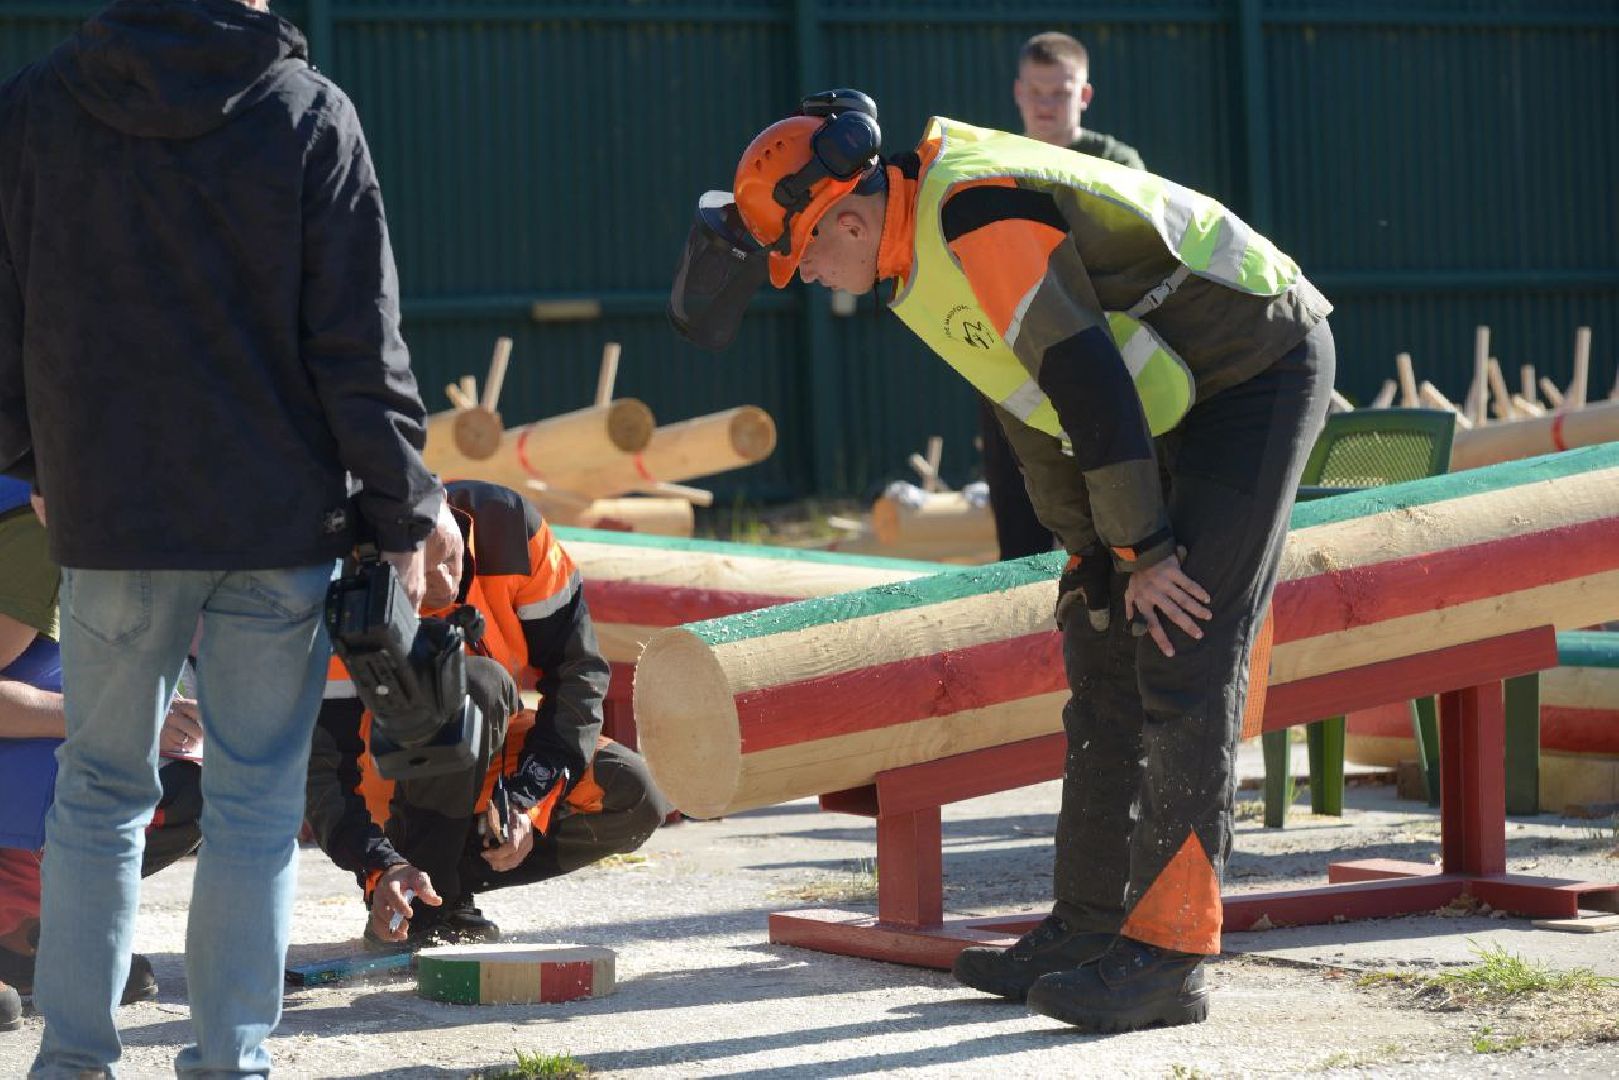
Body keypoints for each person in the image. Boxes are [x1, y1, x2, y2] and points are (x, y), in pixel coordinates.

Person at [670, 89, 1333, 1031]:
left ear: (847, 220)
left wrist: (1144, 551)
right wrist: (1090, 554)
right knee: (1101, 642)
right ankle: (1085, 928)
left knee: (1183, 643)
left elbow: (1087, 386)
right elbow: (1029, 404)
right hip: (1159, 395)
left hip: (1251, 367)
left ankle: (1168, 959)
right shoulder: (911, 261)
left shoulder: (976, 211)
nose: (807, 278)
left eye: (805, 257)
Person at [0, 0, 442, 1073]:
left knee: (98, 795)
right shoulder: (306, 111)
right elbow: (358, 338)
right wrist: (404, 508)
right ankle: (229, 1063)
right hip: (274, 520)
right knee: (254, 803)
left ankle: (73, 1061)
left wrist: (36, 464)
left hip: (109, 518)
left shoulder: (38, 105)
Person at [306, 479, 670, 949]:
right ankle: (417, 899)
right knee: (476, 683)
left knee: (632, 793)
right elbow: (322, 769)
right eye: (419, 577)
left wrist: (528, 798)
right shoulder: (345, 591)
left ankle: (435, 889)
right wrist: (378, 864)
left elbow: (578, 675)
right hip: (386, 777)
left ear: (446, 507)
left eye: (445, 557)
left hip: (490, 746)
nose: (442, 584)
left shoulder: (513, 529)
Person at [0, 477, 206, 1020]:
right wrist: (120, 718)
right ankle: (23, 925)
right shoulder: (35, 522)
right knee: (143, 776)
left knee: (188, 780)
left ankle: (32, 931)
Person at [983, 31, 1147, 560]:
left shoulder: (1114, 163)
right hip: (1015, 355)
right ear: (1017, 92)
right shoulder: (993, 166)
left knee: (1113, 499)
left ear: (1085, 94)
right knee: (1020, 511)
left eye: (1060, 91)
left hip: (1102, 349)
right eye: (1036, 91)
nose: (1046, 104)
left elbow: (1140, 253)